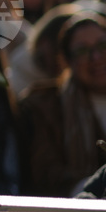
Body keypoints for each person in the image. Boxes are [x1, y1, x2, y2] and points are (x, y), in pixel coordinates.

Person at [18, 11, 106, 197]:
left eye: (102, 45)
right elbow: (46, 174)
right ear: (67, 61)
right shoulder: (42, 106)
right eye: (82, 51)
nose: (96, 57)